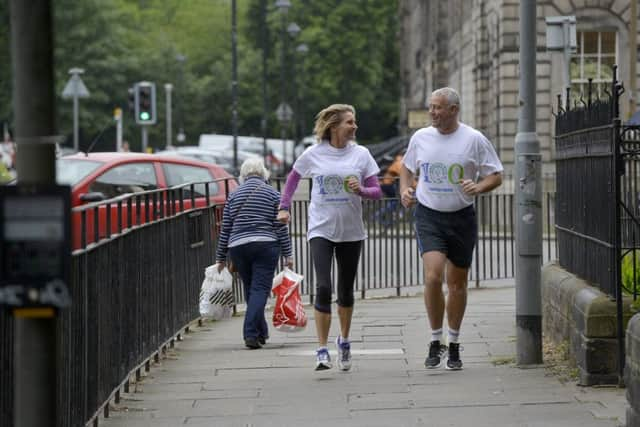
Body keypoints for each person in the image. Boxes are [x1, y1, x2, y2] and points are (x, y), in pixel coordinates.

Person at [400, 87, 503, 370]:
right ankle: (436, 340)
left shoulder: (473, 139)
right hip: (429, 215)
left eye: (437, 108)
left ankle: (454, 342)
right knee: (433, 277)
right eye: (431, 106)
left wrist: (479, 186)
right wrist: (405, 191)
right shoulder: (420, 138)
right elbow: (407, 169)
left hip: (461, 218)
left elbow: (496, 174)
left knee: (457, 284)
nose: (432, 112)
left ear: (454, 110)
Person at [277, 104, 382, 371]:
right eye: (350, 122)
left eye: (354, 121)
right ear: (334, 126)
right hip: (320, 229)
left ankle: (344, 341)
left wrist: (363, 190)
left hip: (351, 231)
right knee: (323, 287)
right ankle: (322, 348)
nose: (354, 126)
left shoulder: (361, 154)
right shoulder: (314, 154)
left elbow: (377, 191)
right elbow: (292, 179)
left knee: (345, 291)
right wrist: (284, 207)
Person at [216, 157, 293, 350]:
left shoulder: (233, 195)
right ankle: (250, 334)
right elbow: (280, 227)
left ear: (243, 175)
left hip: (238, 247)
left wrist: (220, 257)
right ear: (264, 173)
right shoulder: (273, 194)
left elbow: (226, 228)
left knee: (252, 289)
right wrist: (288, 254)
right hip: (265, 245)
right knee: (259, 290)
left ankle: (261, 332)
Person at [375, 152, 403, 227]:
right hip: (387, 185)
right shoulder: (396, 164)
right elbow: (401, 173)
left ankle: (388, 216)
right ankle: (379, 214)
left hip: (385, 185)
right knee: (395, 200)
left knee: (393, 200)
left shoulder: (389, 166)